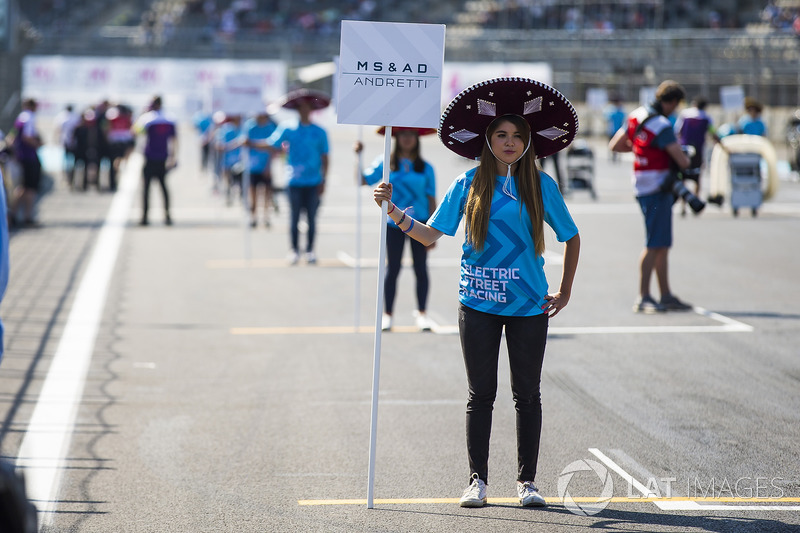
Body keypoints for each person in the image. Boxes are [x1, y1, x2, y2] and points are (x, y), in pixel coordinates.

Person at [372, 77, 580, 508]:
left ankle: (527, 483)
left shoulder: (542, 185)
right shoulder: (468, 183)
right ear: (487, 139)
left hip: (528, 306)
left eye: (517, 136)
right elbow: (431, 236)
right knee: (480, 395)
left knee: (528, 395)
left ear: (527, 143)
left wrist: (564, 291)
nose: (509, 142)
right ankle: (477, 481)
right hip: (477, 305)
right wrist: (392, 212)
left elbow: (571, 236)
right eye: (501, 134)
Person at [609, 80, 692, 313]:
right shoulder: (662, 124)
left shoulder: (636, 115)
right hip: (658, 187)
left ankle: (665, 294)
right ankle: (644, 296)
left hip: (641, 183)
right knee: (654, 243)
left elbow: (615, 145)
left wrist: (639, 149)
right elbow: (683, 161)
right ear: (673, 102)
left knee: (661, 243)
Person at [356, 126, 437, 332]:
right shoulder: (386, 164)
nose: (407, 139)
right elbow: (362, 180)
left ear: (417, 139)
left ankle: (422, 314)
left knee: (421, 268)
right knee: (392, 269)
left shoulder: (426, 168)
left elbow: (431, 199)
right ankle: (388, 315)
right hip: (393, 225)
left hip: (419, 224)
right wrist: (358, 156)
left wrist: (432, 231)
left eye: (411, 135)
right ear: (397, 138)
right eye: (403, 135)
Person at [256, 89, 330, 265]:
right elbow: (271, 144)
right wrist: (249, 142)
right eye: (301, 107)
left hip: (313, 181)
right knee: (294, 217)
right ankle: (294, 250)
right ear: (297, 110)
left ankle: (310, 250)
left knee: (311, 218)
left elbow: (325, 157)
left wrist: (324, 180)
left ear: (311, 110)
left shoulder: (320, 132)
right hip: (294, 180)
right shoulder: (287, 128)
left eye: (307, 107)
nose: (304, 110)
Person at [674, 96, 726, 215]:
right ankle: (695, 201)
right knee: (697, 177)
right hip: (698, 150)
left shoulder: (684, 115)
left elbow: (677, 131)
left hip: (684, 150)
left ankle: (683, 205)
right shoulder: (706, 118)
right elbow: (713, 133)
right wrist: (722, 145)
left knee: (683, 176)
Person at [132, 96, 177, 226]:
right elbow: (174, 139)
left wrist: (141, 115)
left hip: (150, 157)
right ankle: (167, 216)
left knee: (146, 188)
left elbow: (135, 131)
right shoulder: (169, 118)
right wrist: (173, 157)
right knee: (164, 187)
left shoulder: (147, 118)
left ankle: (144, 217)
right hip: (163, 157)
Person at [8, 98, 43, 227]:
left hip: (20, 156)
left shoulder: (20, 118)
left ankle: (13, 214)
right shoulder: (30, 117)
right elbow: (27, 136)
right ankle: (28, 216)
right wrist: (38, 144)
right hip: (29, 157)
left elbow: (12, 137)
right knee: (30, 187)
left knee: (22, 187)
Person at [244, 110, 277, 227]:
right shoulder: (249, 125)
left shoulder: (270, 127)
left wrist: (268, 165)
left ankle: (266, 216)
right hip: (252, 166)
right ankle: (253, 217)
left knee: (267, 193)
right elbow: (245, 143)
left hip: (266, 165)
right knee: (253, 193)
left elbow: (273, 147)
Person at [604, 95, 627, 162]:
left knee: (618, 143)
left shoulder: (620, 110)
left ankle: (617, 156)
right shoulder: (612, 110)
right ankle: (612, 156)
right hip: (612, 130)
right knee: (611, 143)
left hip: (619, 130)